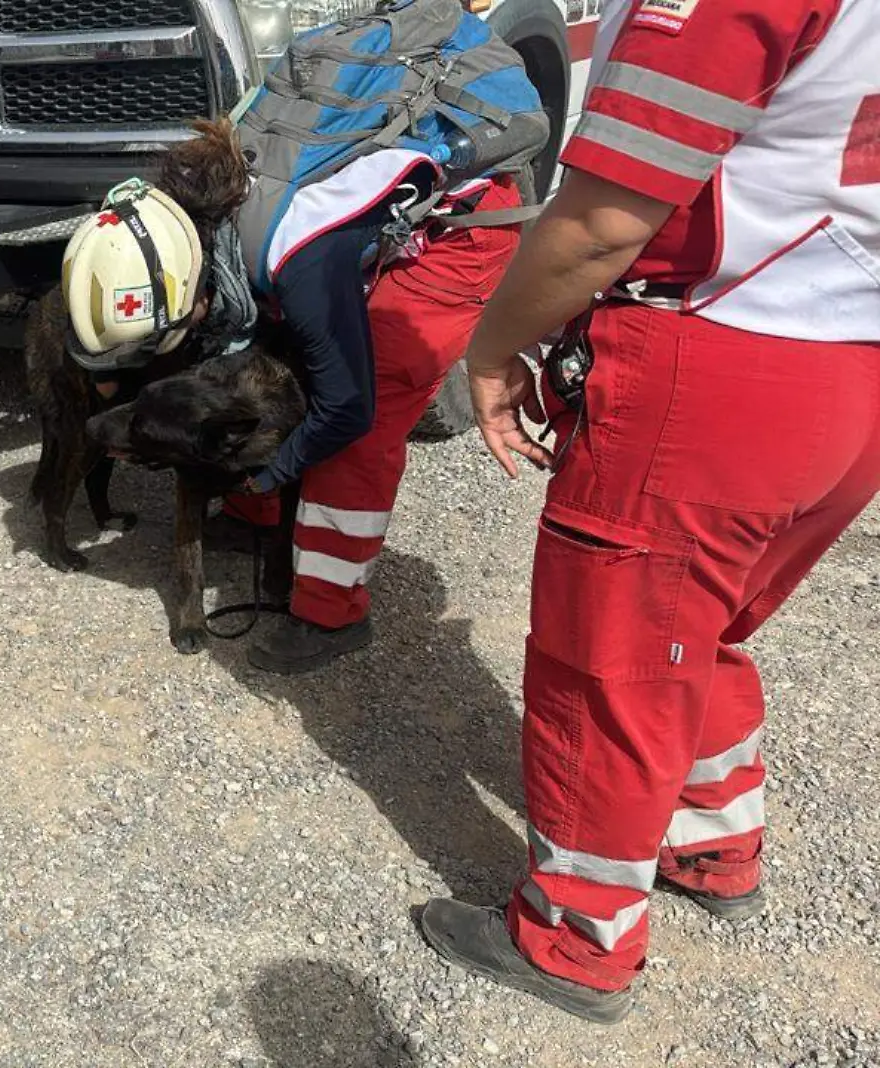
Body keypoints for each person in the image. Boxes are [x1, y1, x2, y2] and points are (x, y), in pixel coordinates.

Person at [418, 0, 880, 1024]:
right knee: (703, 624)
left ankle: (575, 936)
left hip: (720, 355)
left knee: (612, 656)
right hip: (849, 358)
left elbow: (598, 224)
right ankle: (714, 839)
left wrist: (491, 348)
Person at [63, 2, 547, 675]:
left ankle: (330, 612)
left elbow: (344, 409)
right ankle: (259, 517)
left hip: (462, 233)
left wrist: (273, 467)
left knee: (362, 424)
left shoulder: (293, 256)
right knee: (268, 353)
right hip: (340, 218)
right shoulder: (174, 213)